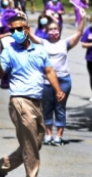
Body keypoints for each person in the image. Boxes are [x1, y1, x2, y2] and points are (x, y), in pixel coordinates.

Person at [0, 13, 65, 177]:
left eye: (19, 29)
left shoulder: (39, 49)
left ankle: (1, 166)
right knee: (31, 142)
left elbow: (49, 71)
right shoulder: (8, 51)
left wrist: (58, 90)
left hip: (36, 101)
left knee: (35, 143)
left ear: (27, 30)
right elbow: (0, 74)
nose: (16, 33)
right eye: (12, 30)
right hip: (20, 101)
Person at [25, 11, 85, 145]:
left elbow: (79, 34)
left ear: (59, 30)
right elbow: (28, 34)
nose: (53, 31)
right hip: (46, 81)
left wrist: (83, 18)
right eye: (50, 29)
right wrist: (22, 17)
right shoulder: (43, 43)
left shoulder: (65, 44)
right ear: (47, 31)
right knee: (46, 108)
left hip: (63, 80)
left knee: (60, 107)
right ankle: (48, 134)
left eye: (55, 29)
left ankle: (59, 136)